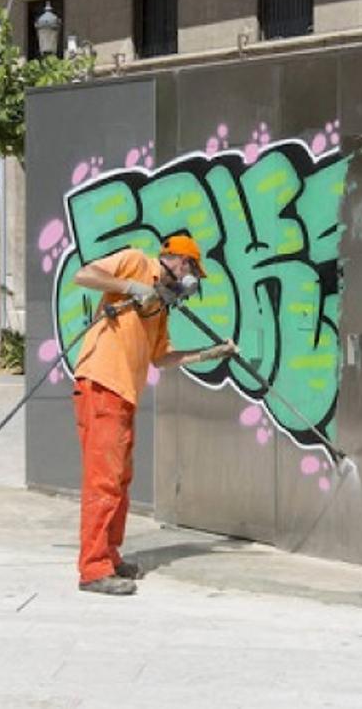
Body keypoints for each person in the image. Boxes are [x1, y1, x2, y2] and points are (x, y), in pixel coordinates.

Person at [70, 235, 238, 595]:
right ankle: (93, 569)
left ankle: (110, 556)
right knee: (103, 480)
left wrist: (211, 353)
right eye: (192, 269)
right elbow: (84, 275)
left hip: (125, 393)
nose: (191, 280)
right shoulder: (135, 261)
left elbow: (162, 358)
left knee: (120, 481)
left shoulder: (160, 306)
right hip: (101, 383)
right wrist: (130, 287)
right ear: (177, 260)